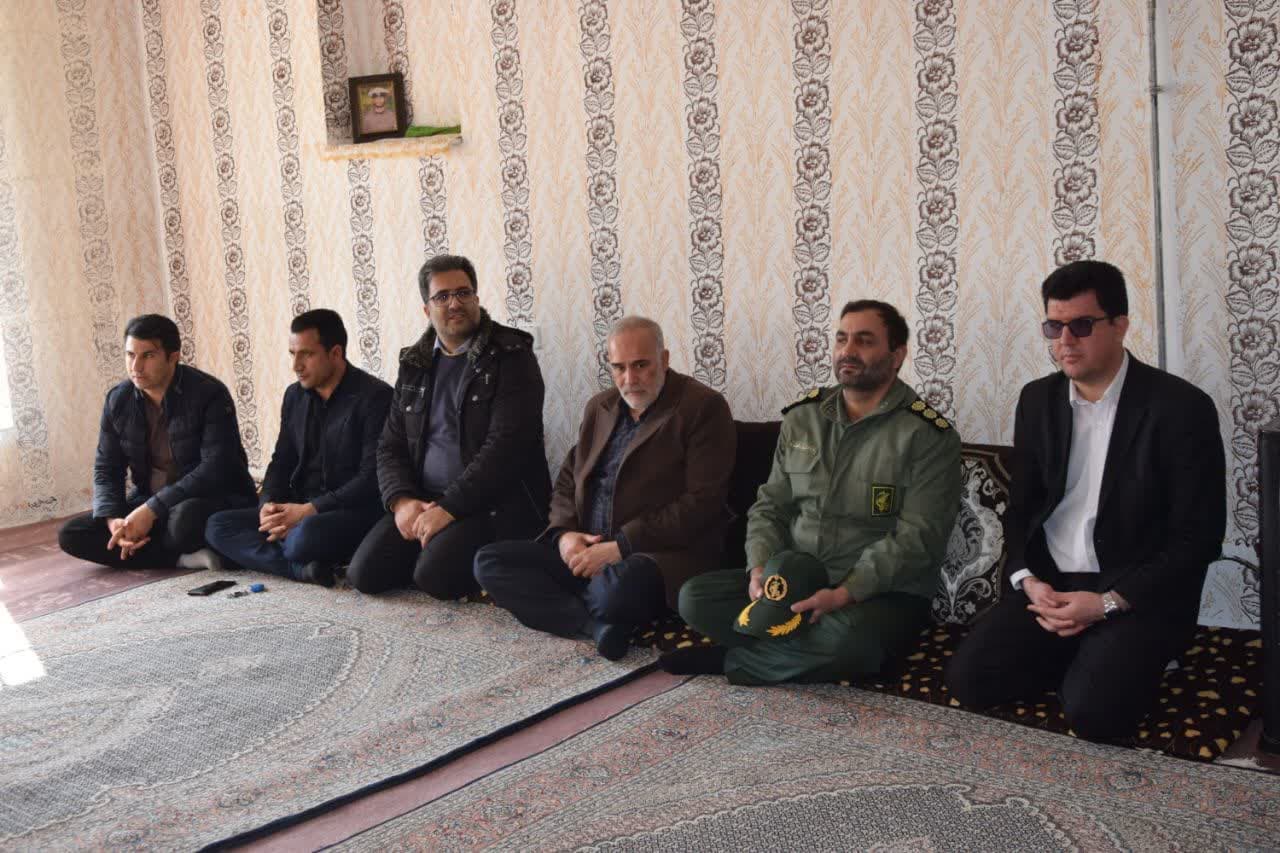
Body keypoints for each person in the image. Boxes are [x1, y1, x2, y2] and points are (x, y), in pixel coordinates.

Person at [945, 260, 1226, 740]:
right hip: (1053, 583)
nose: (1064, 341)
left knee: (1096, 716)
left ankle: (1112, 656)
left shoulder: (1180, 408)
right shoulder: (1037, 401)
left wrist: (1108, 604)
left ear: (1120, 325)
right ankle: (1087, 655)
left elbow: (1198, 537)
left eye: (1081, 325)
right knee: (969, 681)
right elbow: (1022, 508)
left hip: (1134, 587)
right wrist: (1027, 580)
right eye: (1053, 327)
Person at [666, 300, 962, 684]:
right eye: (841, 339)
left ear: (897, 355)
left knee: (848, 640)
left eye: (864, 341)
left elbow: (918, 538)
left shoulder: (927, 435)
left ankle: (735, 660)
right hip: (796, 577)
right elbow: (770, 505)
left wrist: (844, 593)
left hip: (881, 591)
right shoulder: (803, 417)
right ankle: (800, 652)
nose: (847, 350)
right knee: (694, 598)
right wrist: (759, 569)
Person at [474, 316, 737, 660]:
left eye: (641, 365)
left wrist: (621, 547)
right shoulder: (600, 407)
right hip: (588, 550)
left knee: (612, 592)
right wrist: (565, 534)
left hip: (656, 555)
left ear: (664, 359)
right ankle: (594, 625)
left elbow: (702, 503)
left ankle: (580, 608)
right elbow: (568, 478)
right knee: (488, 562)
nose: (630, 379)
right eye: (619, 368)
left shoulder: (702, 407)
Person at [347, 254, 551, 598]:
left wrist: (449, 509)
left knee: (434, 577)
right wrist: (401, 501)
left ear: (476, 297)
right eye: (442, 296)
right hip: (425, 498)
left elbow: (505, 450)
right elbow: (390, 445)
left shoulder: (512, 355)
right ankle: (431, 547)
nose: (455, 303)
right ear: (426, 309)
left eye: (463, 293)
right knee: (364, 574)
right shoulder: (414, 363)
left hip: (493, 503)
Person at [204, 310, 392, 586]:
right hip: (298, 505)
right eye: (292, 354)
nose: (296, 365)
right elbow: (281, 461)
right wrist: (267, 505)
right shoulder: (294, 396)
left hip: (349, 509)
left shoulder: (375, 397)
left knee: (304, 537)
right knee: (217, 526)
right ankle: (302, 570)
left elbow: (370, 479)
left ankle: (289, 552)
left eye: (306, 354)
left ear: (335, 353)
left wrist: (308, 511)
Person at [58, 314, 256, 569]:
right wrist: (114, 519)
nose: (136, 367)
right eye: (130, 355)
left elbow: (215, 468)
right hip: (149, 500)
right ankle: (180, 558)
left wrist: (152, 510)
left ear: (173, 357)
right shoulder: (118, 400)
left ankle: (158, 549)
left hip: (210, 498)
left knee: (184, 522)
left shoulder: (209, 394)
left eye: (148, 356)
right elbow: (107, 467)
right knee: (72, 534)